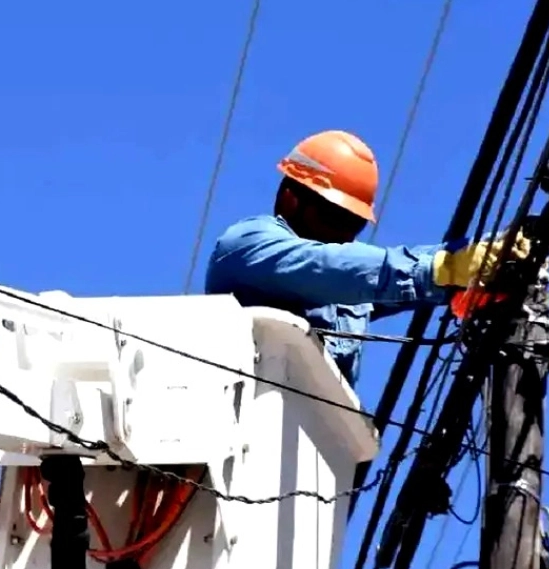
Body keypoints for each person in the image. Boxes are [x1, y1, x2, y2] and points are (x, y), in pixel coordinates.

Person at [204, 129, 529, 387]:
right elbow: (326, 266)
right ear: (291, 199)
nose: (346, 233)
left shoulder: (350, 291)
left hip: (321, 453)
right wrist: (445, 269)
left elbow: (409, 266)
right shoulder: (246, 246)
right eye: (335, 218)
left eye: (355, 223)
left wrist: (487, 252)